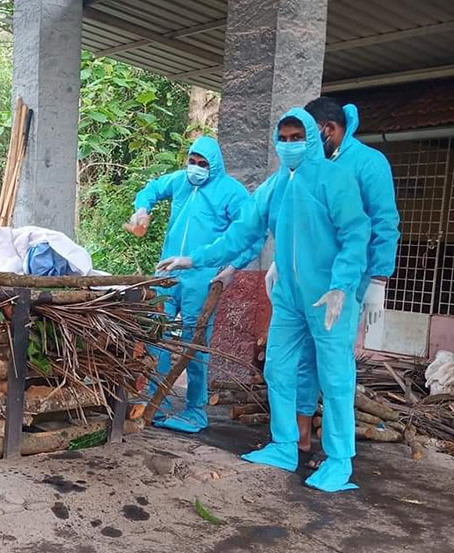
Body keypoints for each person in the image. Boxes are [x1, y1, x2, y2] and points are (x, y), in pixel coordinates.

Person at [157, 108, 370, 492]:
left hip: (330, 297)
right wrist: (195, 258)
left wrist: (342, 285)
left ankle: (339, 461)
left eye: (296, 138)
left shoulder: (334, 179)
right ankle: (284, 445)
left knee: (335, 378)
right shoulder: (274, 187)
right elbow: (240, 234)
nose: (288, 146)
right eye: (283, 139)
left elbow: (356, 233)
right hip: (289, 295)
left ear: (311, 139)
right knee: (278, 368)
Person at [270, 97, 400, 464]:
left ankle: (338, 454)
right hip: (304, 285)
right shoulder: (311, 167)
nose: (297, 144)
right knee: (302, 363)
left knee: (333, 365)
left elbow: (382, 224)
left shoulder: (368, 163)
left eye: (305, 136)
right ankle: (301, 440)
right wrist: (282, 261)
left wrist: (377, 280)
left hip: (345, 284)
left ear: (324, 130)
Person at [126, 136, 261, 433]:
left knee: (194, 343)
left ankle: (195, 409)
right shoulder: (180, 182)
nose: (196, 168)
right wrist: (141, 209)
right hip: (167, 270)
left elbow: (254, 233)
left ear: (214, 166)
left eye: (203, 164)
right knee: (156, 334)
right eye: (192, 161)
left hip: (203, 277)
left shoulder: (231, 193)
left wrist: (233, 268)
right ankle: (153, 402)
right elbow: (151, 189)